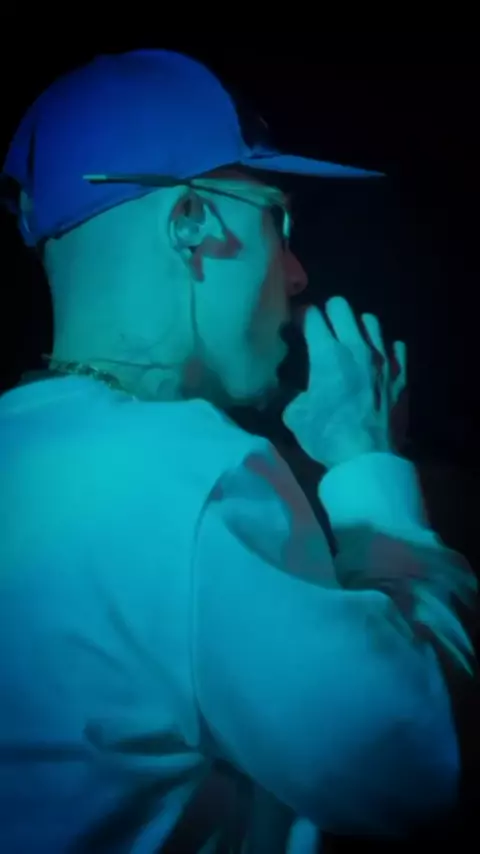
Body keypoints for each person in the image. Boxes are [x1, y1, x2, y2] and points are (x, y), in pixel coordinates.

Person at [0, 49, 476, 854]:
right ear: (190, 224)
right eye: (277, 222)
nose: (295, 273)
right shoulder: (189, 479)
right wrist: (369, 466)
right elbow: (420, 770)